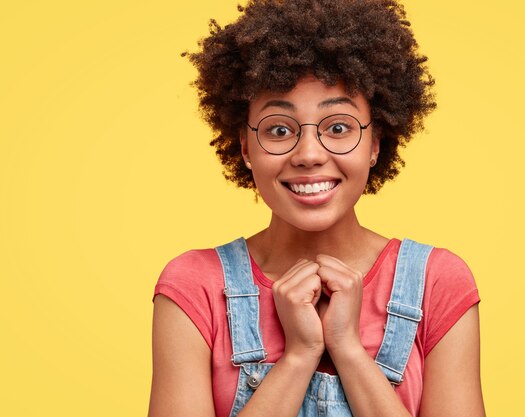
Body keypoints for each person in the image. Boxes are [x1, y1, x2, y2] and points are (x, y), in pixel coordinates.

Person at [148, 0, 486, 416]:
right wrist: (299, 355)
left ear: (375, 143)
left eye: (339, 127)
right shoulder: (192, 288)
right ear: (245, 147)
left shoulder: (438, 283)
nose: (308, 154)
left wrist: (348, 349)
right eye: (278, 129)